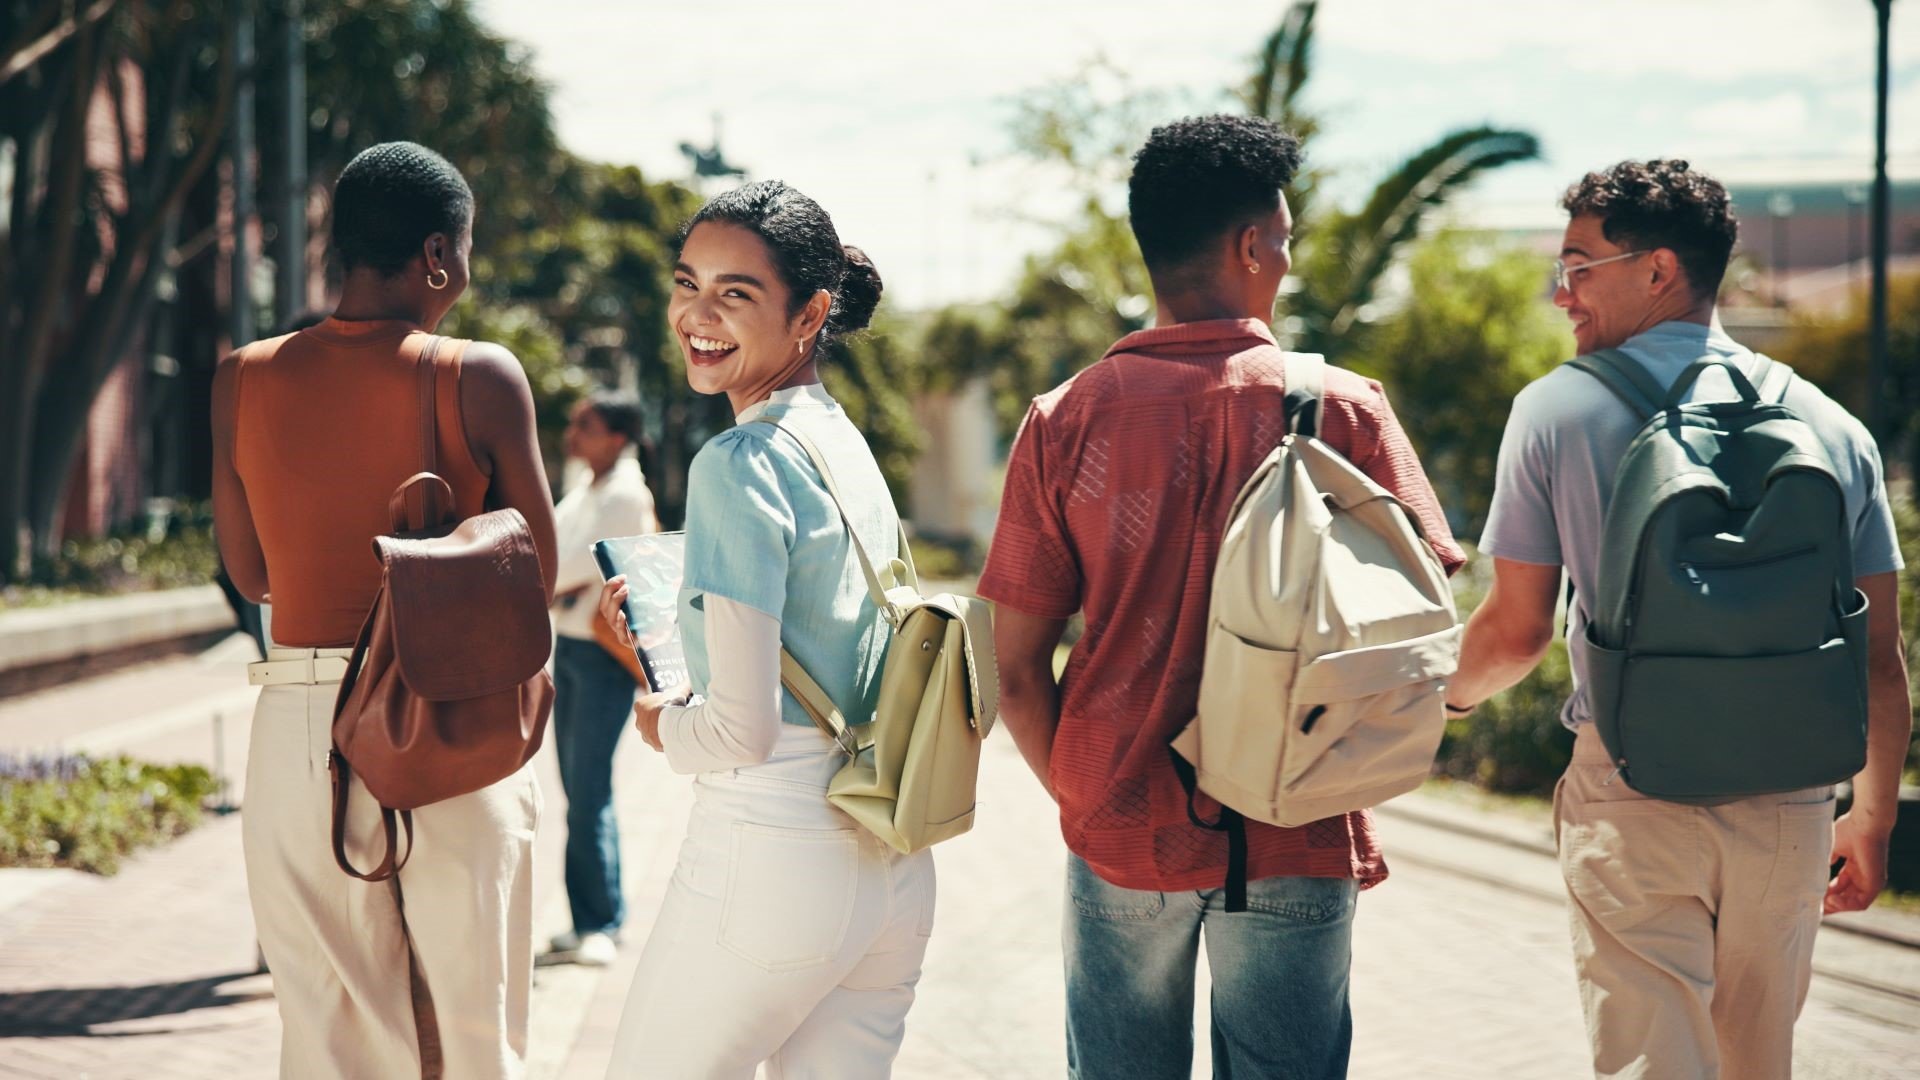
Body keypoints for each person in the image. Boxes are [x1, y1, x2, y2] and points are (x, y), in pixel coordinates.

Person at [978, 114, 1465, 1080]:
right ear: (1252, 245)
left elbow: (1016, 669)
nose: (1284, 260)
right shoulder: (1342, 406)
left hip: (1121, 822)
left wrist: (1086, 800)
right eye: (1283, 238)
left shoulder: (1066, 417)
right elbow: (1422, 617)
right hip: (1299, 820)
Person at [1445, 159, 1910, 1080]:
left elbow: (1515, 633)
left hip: (1631, 786)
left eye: (1578, 267)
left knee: (1653, 1062)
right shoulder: (1829, 423)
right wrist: (1873, 814)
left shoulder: (1556, 410)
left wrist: (1438, 705)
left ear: (1657, 270)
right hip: (1790, 799)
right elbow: (1878, 655)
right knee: (1756, 1060)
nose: (1560, 293)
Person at [211, 141, 558, 1079]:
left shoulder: (242, 375)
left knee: (328, 1033)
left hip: (297, 727)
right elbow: (535, 571)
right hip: (448, 711)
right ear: (439, 253)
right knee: (472, 1032)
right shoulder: (477, 374)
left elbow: (251, 574)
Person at [594, 180, 931, 1077]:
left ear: (811, 312)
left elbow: (736, 731)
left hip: (772, 857)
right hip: (890, 854)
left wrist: (657, 715)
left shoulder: (738, 461)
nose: (697, 315)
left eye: (735, 294)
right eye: (687, 283)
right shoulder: (839, 441)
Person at [547, 390, 659, 967]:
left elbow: (565, 567)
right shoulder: (588, 487)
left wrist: (542, 579)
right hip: (569, 648)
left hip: (597, 656)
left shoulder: (623, 494)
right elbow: (552, 553)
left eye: (585, 425)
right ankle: (586, 918)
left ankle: (601, 922)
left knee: (588, 789)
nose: (574, 435)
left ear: (617, 436)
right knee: (576, 789)